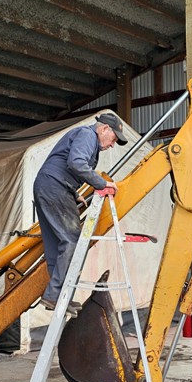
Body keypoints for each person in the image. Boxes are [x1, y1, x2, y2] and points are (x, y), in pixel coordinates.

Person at [33, 113, 125, 317]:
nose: (112, 145)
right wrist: (103, 183)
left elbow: (64, 163)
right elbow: (76, 163)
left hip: (48, 186)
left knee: (56, 246)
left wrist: (74, 193)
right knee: (73, 240)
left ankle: (57, 296)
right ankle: (56, 294)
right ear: (104, 129)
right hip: (54, 187)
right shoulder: (87, 135)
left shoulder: (86, 138)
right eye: (114, 139)